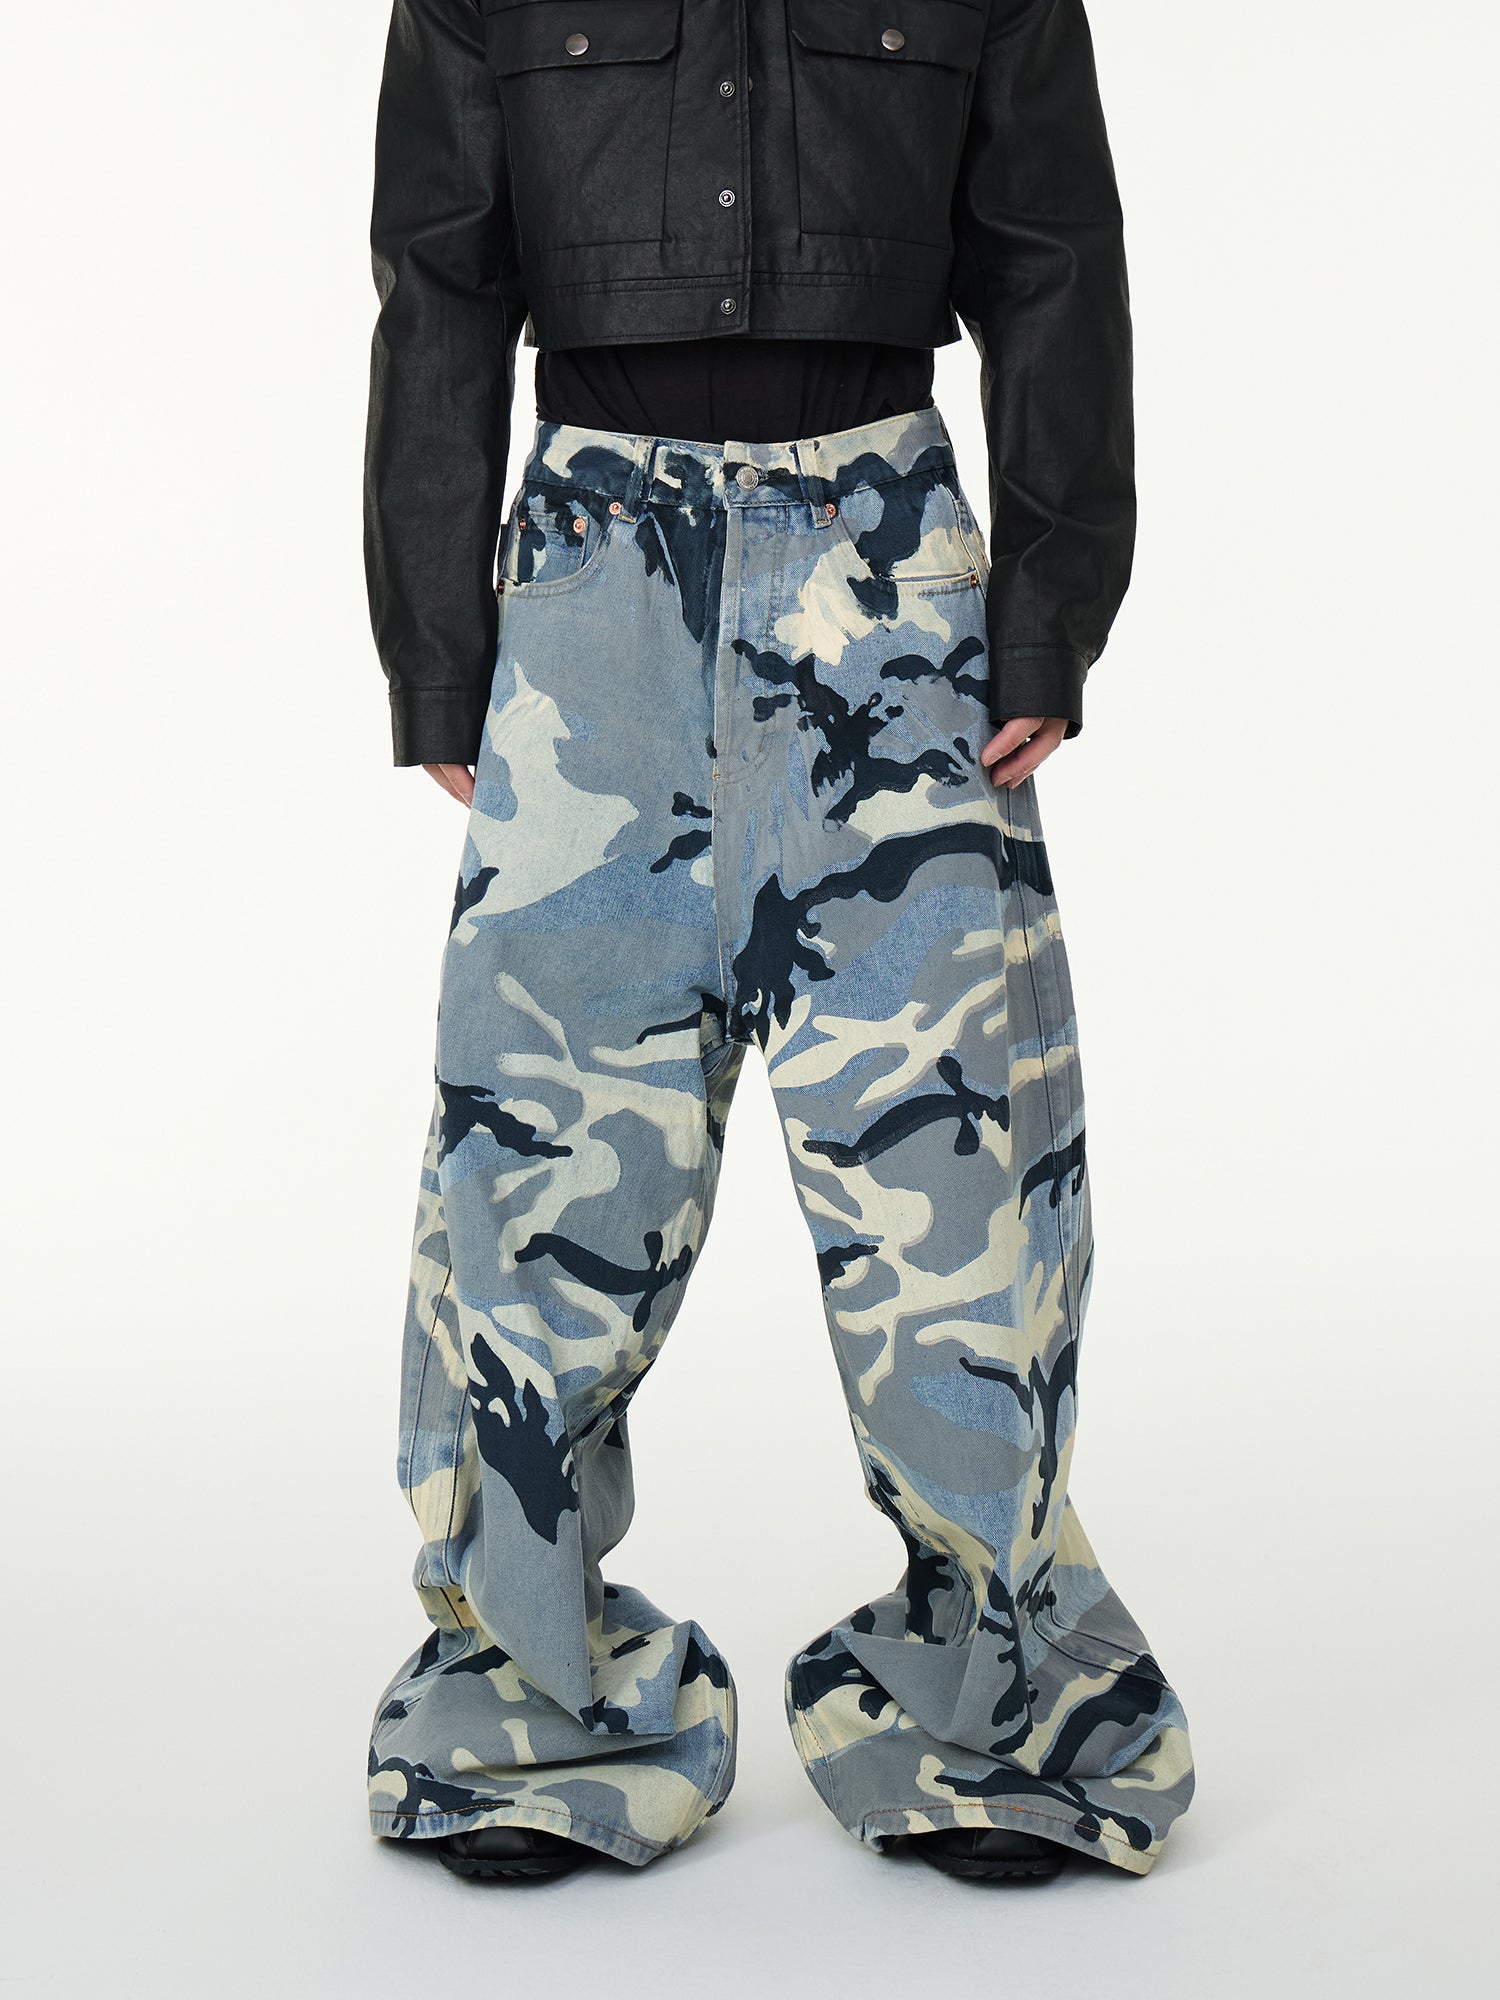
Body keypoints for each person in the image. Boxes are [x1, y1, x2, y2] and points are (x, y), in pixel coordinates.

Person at [361, 0, 1195, 1886]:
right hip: (592, 596)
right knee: (538, 1171)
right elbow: (438, 287)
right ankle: (528, 1708)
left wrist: (1052, 610)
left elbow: (1058, 261)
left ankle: (1000, 1710)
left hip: (892, 583)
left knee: (960, 1183)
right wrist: (439, 649)